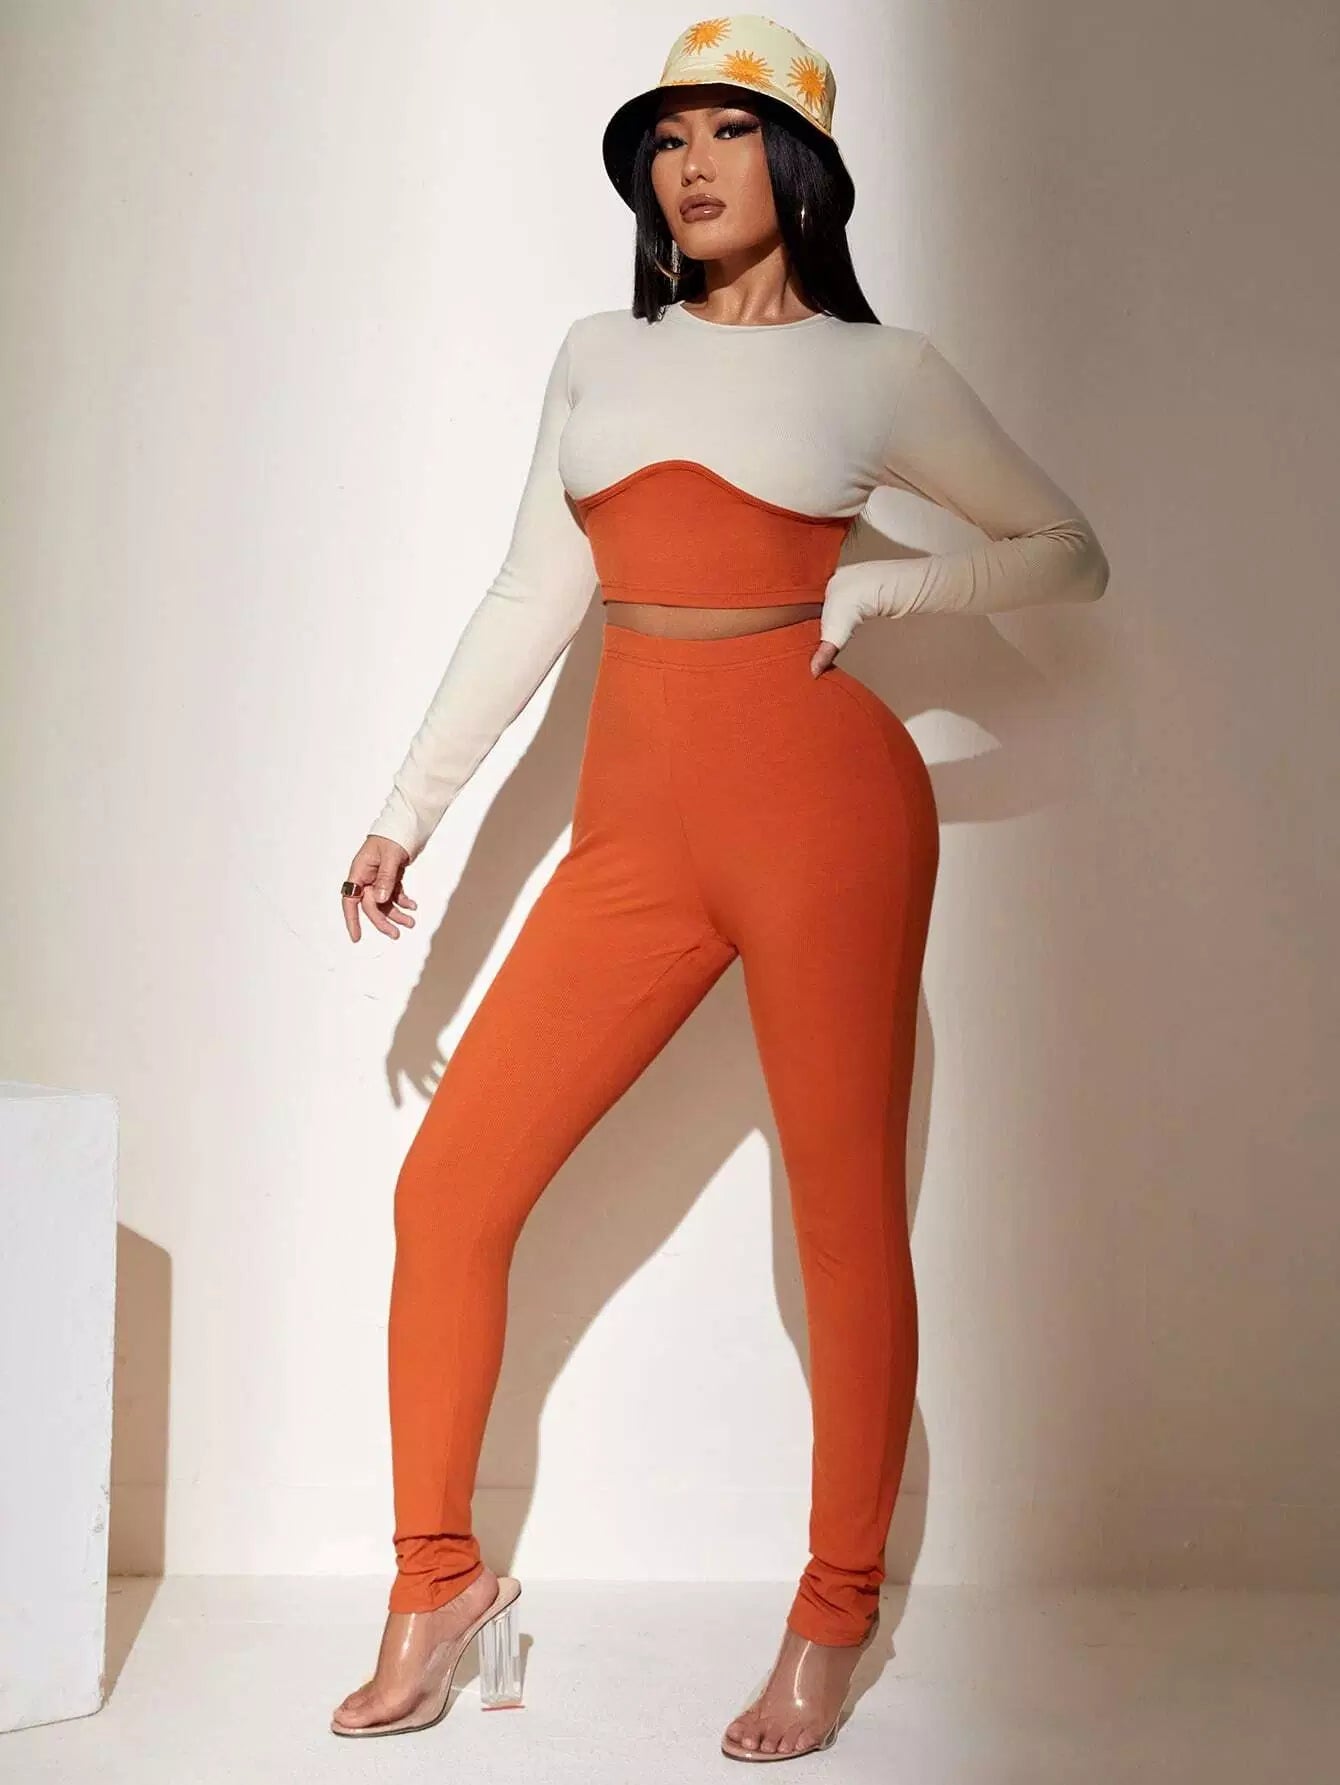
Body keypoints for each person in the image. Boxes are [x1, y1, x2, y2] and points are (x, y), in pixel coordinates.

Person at [330, 12, 1110, 1761]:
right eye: (666, 137)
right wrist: (406, 808)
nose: (689, 164)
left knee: (838, 1226)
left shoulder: (879, 368)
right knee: (449, 1191)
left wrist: (886, 592)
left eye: (728, 130)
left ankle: (833, 1612)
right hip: (635, 838)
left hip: (830, 817)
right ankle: (436, 1586)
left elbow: (1070, 550)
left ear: (800, 163)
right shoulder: (599, 355)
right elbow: (530, 597)